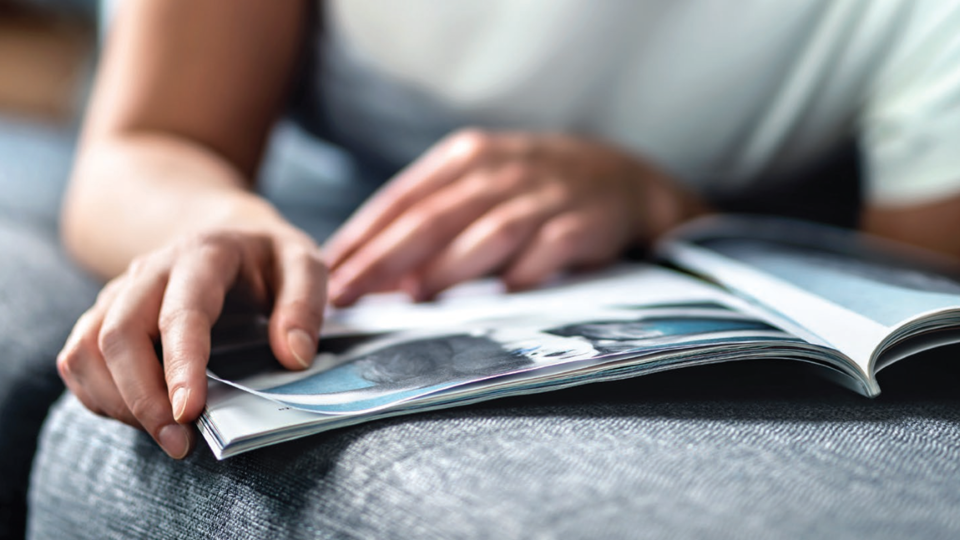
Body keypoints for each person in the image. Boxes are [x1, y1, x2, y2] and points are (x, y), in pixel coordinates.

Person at [52, 0, 960, 468]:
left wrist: (665, 206)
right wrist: (216, 224)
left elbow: (906, 316)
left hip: (667, 249)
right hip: (296, 184)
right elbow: (152, 141)